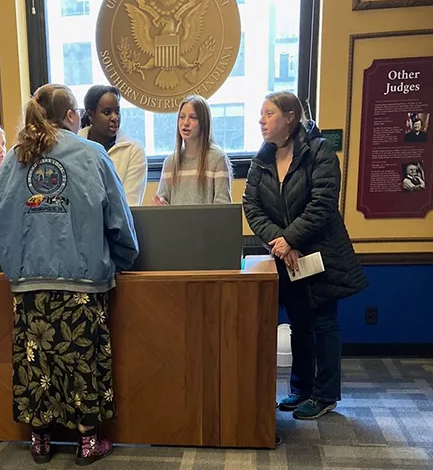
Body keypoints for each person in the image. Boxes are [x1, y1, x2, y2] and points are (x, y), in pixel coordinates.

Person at [0, 83, 139, 465]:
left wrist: (18, 269)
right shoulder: (93, 155)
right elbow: (120, 223)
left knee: (35, 361)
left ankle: (40, 441)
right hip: (83, 282)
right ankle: (87, 441)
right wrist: (117, 262)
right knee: (83, 360)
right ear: (73, 115)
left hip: (29, 285)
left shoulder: (12, 159)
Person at [242, 91, 368, 420]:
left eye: (268, 113)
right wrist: (279, 241)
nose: (261, 120)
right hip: (287, 258)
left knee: (323, 324)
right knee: (298, 324)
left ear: (290, 117)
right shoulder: (262, 159)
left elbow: (322, 204)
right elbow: (251, 206)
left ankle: (325, 395)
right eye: (261, 114)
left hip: (321, 255)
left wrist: (289, 238)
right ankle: (300, 390)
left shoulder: (320, 152)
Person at [153, 95, 232, 205]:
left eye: (193, 117)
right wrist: (160, 205)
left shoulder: (218, 159)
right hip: (176, 223)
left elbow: (223, 206)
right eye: (182, 117)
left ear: (204, 122)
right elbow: (164, 204)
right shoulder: (170, 163)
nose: (185, 122)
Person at [79, 85, 148, 205]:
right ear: (90, 115)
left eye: (117, 111)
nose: (115, 118)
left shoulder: (133, 150)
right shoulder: (75, 147)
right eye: (107, 112)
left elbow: (128, 204)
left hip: (119, 222)